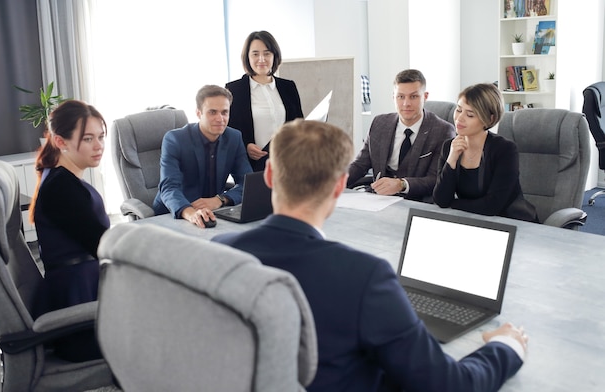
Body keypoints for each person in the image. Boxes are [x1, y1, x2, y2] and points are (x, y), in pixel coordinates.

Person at [213, 119, 528, 392]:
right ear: (340, 185)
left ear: (268, 175)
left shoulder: (220, 254)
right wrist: (506, 345)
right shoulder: (364, 276)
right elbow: (449, 385)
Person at [30, 100, 109, 362]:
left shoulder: (63, 179)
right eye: (88, 139)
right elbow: (100, 243)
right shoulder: (60, 189)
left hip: (85, 292)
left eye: (101, 137)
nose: (99, 146)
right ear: (61, 142)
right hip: (79, 311)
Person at [433, 83, 538, 222]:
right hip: (472, 221)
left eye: (470, 114)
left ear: (490, 119)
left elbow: (492, 206)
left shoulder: (504, 150)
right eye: (459, 110)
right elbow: (441, 200)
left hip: (510, 223)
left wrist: (453, 204)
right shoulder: (449, 147)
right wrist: (452, 159)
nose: (459, 118)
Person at [347, 69, 455, 202]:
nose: (406, 103)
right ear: (394, 97)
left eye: (413, 96)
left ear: (425, 96)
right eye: (401, 96)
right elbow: (360, 165)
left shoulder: (443, 131)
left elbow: (436, 179)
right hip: (378, 199)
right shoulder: (379, 123)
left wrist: (401, 184)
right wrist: (332, 183)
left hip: (416, 201)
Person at [152, 85, 252, 228]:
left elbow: (247, 183)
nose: (220, 118)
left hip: (213, 213)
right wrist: (191, 213)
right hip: (173, 214)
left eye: (225, 112)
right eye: (212, 112)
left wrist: (221, 200)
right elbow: (169, 188)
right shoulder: (175, 139)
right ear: (199, 113)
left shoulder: (234, 137)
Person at [226, 30, 304, 172]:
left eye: (267, 53)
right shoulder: (234, 90)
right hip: (253, 167)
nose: (261, 59)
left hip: (288, 164)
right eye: (255, 54)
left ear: (275, 56)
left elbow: (299, 124)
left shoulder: (288, 87)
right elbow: (228, 130)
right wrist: (246, 146)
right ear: (247, 57)